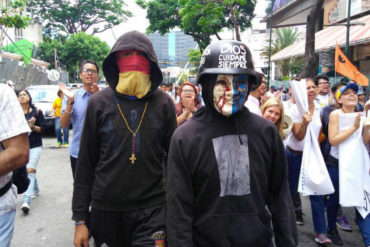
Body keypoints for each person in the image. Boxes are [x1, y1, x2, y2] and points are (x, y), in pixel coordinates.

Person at [167, 40, 297, 247]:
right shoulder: (185, 137)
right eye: (222, 83)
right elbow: (178, 210)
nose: (232, 91)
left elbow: (280, 197)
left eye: (240, 82)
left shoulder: (266, 132)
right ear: (207, 84)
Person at [72, 31, 177, 247]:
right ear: (115, 61)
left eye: (142, 55)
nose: (135, 60)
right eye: (127, 54)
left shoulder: (164, 103)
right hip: (106, 212)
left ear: (152, 62)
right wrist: (80, 219)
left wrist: (175, 213)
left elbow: (174, 162)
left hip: (154, 213)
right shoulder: (98, 103)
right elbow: (85, 163)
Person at [286, 78, 334, 244]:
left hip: (312, 157)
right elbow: (298, 136)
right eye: (307, 88)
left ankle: (321, 232)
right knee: (288, 194)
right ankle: (282, 229)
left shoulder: (320, 110)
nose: (312, 90)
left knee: (317, 194)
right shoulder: (292, 110)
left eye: (314, 87)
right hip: (293, 156)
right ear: (300, 91)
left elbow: (319, 135)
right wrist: (305, 123)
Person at [320, 81, 353, 233]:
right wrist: (354, 128)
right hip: (335, 161)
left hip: (354, 162)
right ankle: (331, 229)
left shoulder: (359, 113)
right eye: (345, 93)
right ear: (338, 98)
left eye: (353, 93)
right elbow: (332, 139)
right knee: (334, 198)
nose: (351, 95)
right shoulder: (332, 113)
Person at [0, 84, 30, 246]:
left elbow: (19, 152)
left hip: (1, 204)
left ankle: (27, 199)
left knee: (32, 172)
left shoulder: (3, 93)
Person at [60, 60, 100, 178]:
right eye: (86, 70)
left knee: (100, 190)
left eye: (93, 71)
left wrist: (97, 97)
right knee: (80, 189)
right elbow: (63, 124)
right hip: (78, 151)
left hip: (100, 153)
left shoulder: (103, 96)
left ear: (97, 76)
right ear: (80, 75)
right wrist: (70, 102)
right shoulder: (72, 96)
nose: (90, 74)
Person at [16, 89, 45, 214]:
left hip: (35, 145)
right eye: (20, 95)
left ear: (29, 97)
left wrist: (33, 126)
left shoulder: (37, 112)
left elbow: (42, 129)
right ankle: (35, 188)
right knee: (29, 170)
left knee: (30, 169)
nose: (22, 97)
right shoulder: (14, 113)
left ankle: (26, 200)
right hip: (20, 146)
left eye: (24, 94)